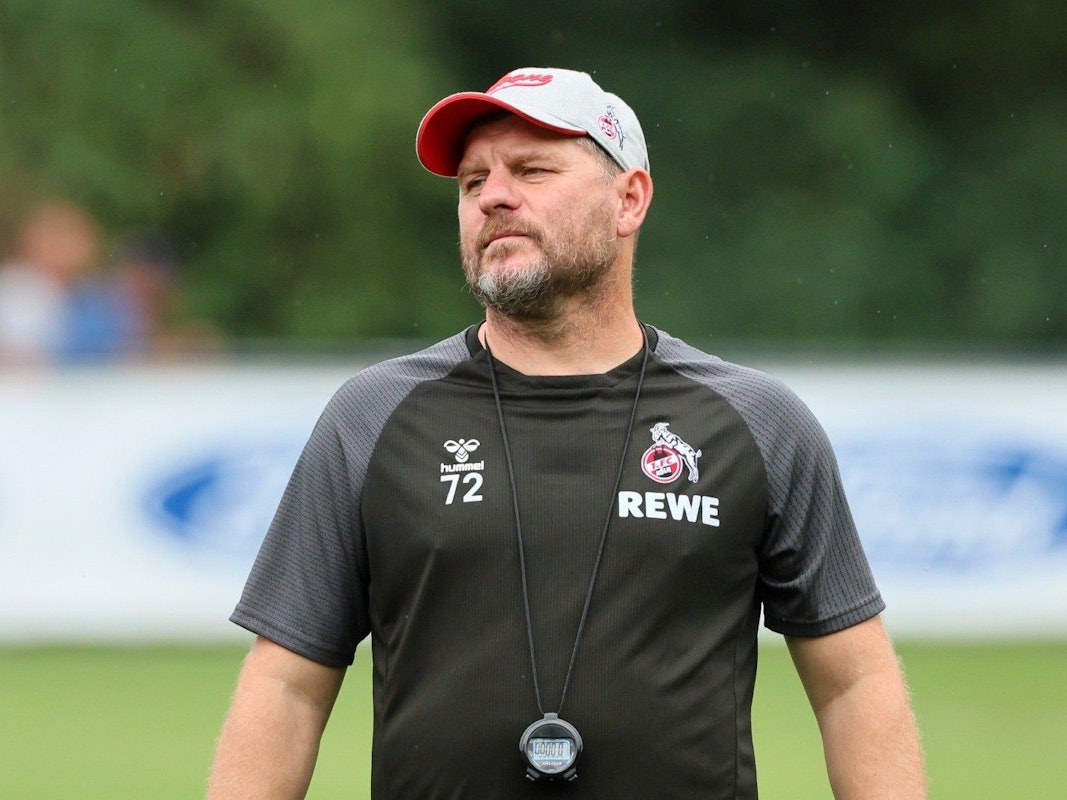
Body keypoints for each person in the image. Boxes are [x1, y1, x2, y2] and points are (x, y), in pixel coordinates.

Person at [208, 67, 927, 798]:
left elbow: (854, 683)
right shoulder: (371, 418)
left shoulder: (757, 423)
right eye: (473, 181)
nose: (492, 196)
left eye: (532, 170)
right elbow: (285, 687)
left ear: (629, 200)